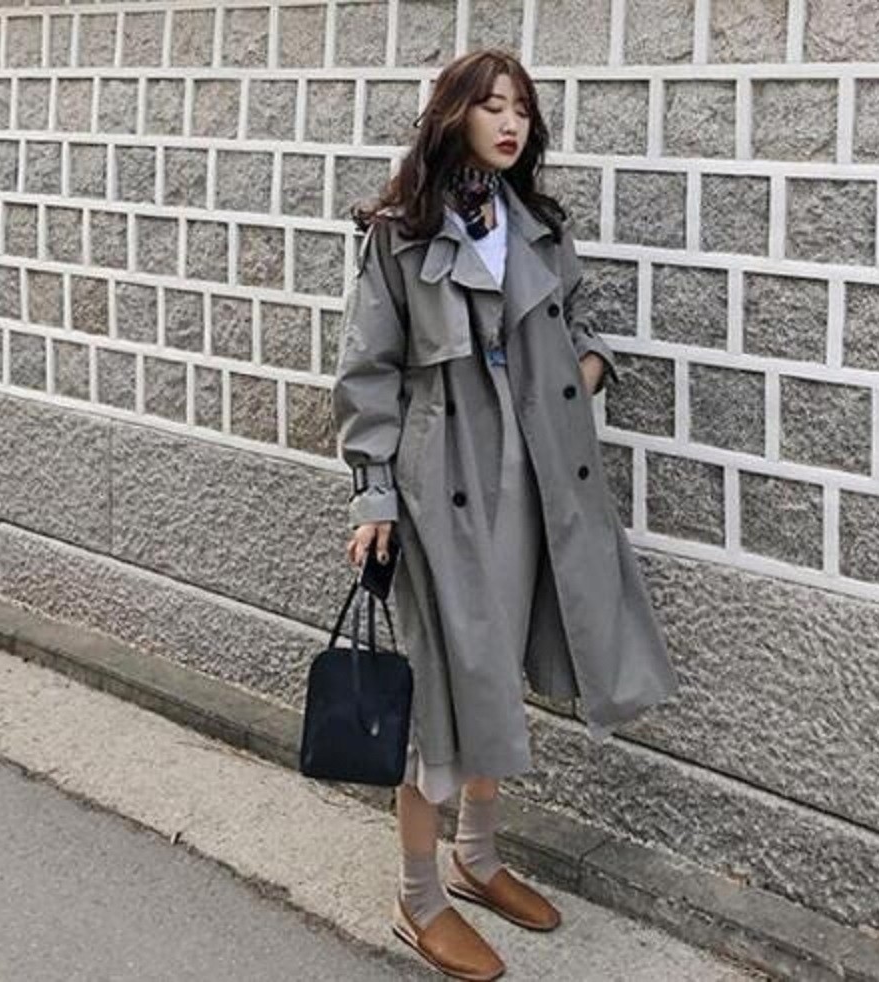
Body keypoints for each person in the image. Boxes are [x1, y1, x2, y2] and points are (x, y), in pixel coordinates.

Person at [332, 48, 680, 981]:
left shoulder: (537, 227)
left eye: (522, 107)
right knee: (441, 688)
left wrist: (579, 374)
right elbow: (366, 372)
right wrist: (373, 493)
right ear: (453, 115)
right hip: (439, 489)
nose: (511, 121)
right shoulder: (400, 236)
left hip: (536, 482)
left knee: (499, 670)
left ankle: (478, 857)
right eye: (492, 105)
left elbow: (582, 325)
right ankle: (418, 897)